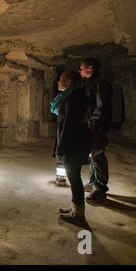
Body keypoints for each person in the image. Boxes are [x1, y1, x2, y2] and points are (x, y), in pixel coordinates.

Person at [51, 71, 91, 224]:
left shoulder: (74, 97)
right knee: (74, 177)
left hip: (74, 144)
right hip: (75, 142)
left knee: (74, 177)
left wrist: (60, 149)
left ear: (68, 82)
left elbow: (69, 124)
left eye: (60, 79)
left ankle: (78, 214)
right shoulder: (75, 95)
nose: (57, 82)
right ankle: (75, 207)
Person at [79, 57, 113, 202]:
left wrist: (93, 122)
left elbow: (101, 106)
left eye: (82, 68)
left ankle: (100, 188)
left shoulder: (100, 83)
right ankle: (93, 183)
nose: (80, 70)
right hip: (92, 124)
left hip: (97, 125)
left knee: (97, 155)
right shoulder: (92, 83)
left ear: (90, 68)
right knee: (92, 155)